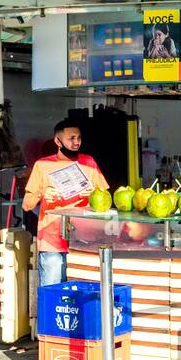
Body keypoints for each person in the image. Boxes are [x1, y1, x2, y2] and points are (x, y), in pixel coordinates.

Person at [22, 119, 109, 289]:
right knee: (53, 292)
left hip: (84, 240)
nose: (76, 142)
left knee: (82, 294)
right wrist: (41, 193)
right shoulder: (42, 165)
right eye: (71, 138)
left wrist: (93, 194)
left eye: (79, 138)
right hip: (52, 241)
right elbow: (27, 205)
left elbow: (106, 197)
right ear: (57, 141)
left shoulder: (89, 162)